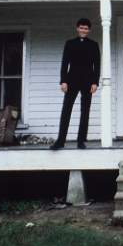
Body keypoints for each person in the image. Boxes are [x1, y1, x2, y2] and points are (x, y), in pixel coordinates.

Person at [50, 18, 101, 150]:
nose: (84, 31)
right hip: (71, 81)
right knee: (66, 110)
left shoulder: (94, 45)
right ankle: (61, 141)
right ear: (77, 28)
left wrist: (95, 82)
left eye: (86, 29)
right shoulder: (70, 44)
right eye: (81, 28)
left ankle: (81, 140)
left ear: (89, 30)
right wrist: (63, 81)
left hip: (87, 82)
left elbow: (97, 65)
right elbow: (65, 63)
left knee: (85, 111)